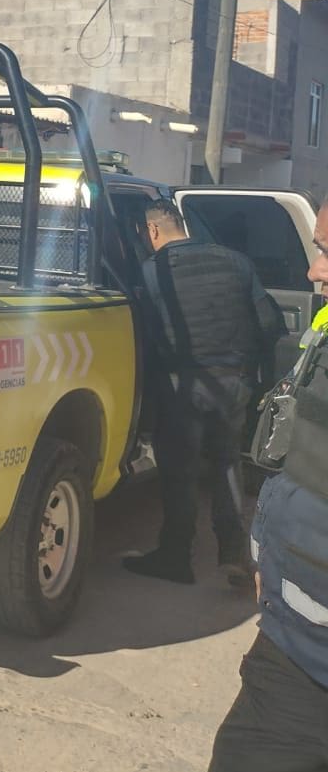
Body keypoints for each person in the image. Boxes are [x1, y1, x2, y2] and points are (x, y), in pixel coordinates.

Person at [208, 202, 328, 772]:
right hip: (292, 648)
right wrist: (273, 562)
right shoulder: (323, 328)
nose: (313, 270)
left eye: (325, 251)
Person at [124, 199, 285, 586]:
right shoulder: (236, 261)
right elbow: (267, 322)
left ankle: (175, 557)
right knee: (227, 464)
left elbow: (144, 335)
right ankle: (234, 554)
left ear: (153, 231)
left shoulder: (153, 271)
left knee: (179, 472)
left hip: (184, 386)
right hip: (234, 381)